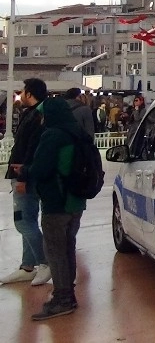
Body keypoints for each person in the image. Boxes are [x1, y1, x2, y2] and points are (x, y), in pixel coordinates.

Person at [27, 96, 87, 320]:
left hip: (57, 202)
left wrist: (24, 171)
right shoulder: (78, 133)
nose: (41, 118)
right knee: (67, 247)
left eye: (43, 114)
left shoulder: (53, 135)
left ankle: (63, 299)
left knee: (55, 251)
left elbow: (41, 170)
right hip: (76, 202)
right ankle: (68, 293)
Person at [1, 78, 50, 287]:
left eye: (23, 92)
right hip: (23, 173)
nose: (20, 95)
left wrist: (22, 177)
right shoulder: (32, 114)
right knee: (28, 218)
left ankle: (44, 262)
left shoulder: (38, 116)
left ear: (30, 94)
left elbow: (31, 149)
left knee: (23, 221)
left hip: (25, 175)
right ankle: (27, 266)